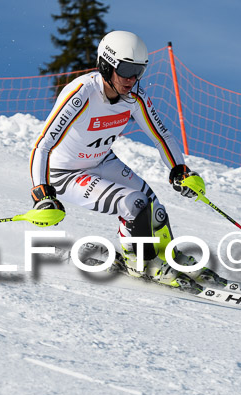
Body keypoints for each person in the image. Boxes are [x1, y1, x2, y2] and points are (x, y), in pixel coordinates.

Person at [28, 30, 206, 287]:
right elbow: (42, 145)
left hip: (102, 161)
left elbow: (161, 135)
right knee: (134, 203)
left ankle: (167, 255)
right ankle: (140, 262)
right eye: (125, 69)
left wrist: (180, 170)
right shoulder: (81, 93)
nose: (131, 79)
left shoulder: (134, 96)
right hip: (66, 174)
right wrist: (42, 194)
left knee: (153, 206)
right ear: (106, 65)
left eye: (138, 71)